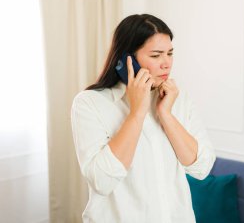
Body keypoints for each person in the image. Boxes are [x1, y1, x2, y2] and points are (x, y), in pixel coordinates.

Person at [71, 14, 216, 223]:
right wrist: (137, 112)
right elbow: (102, 181)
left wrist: (166, 115)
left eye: (170, 53)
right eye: (156, 55)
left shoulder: (178, 99)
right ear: (126, 60)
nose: (166, 63)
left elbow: (201, 168)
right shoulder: (89, 103)